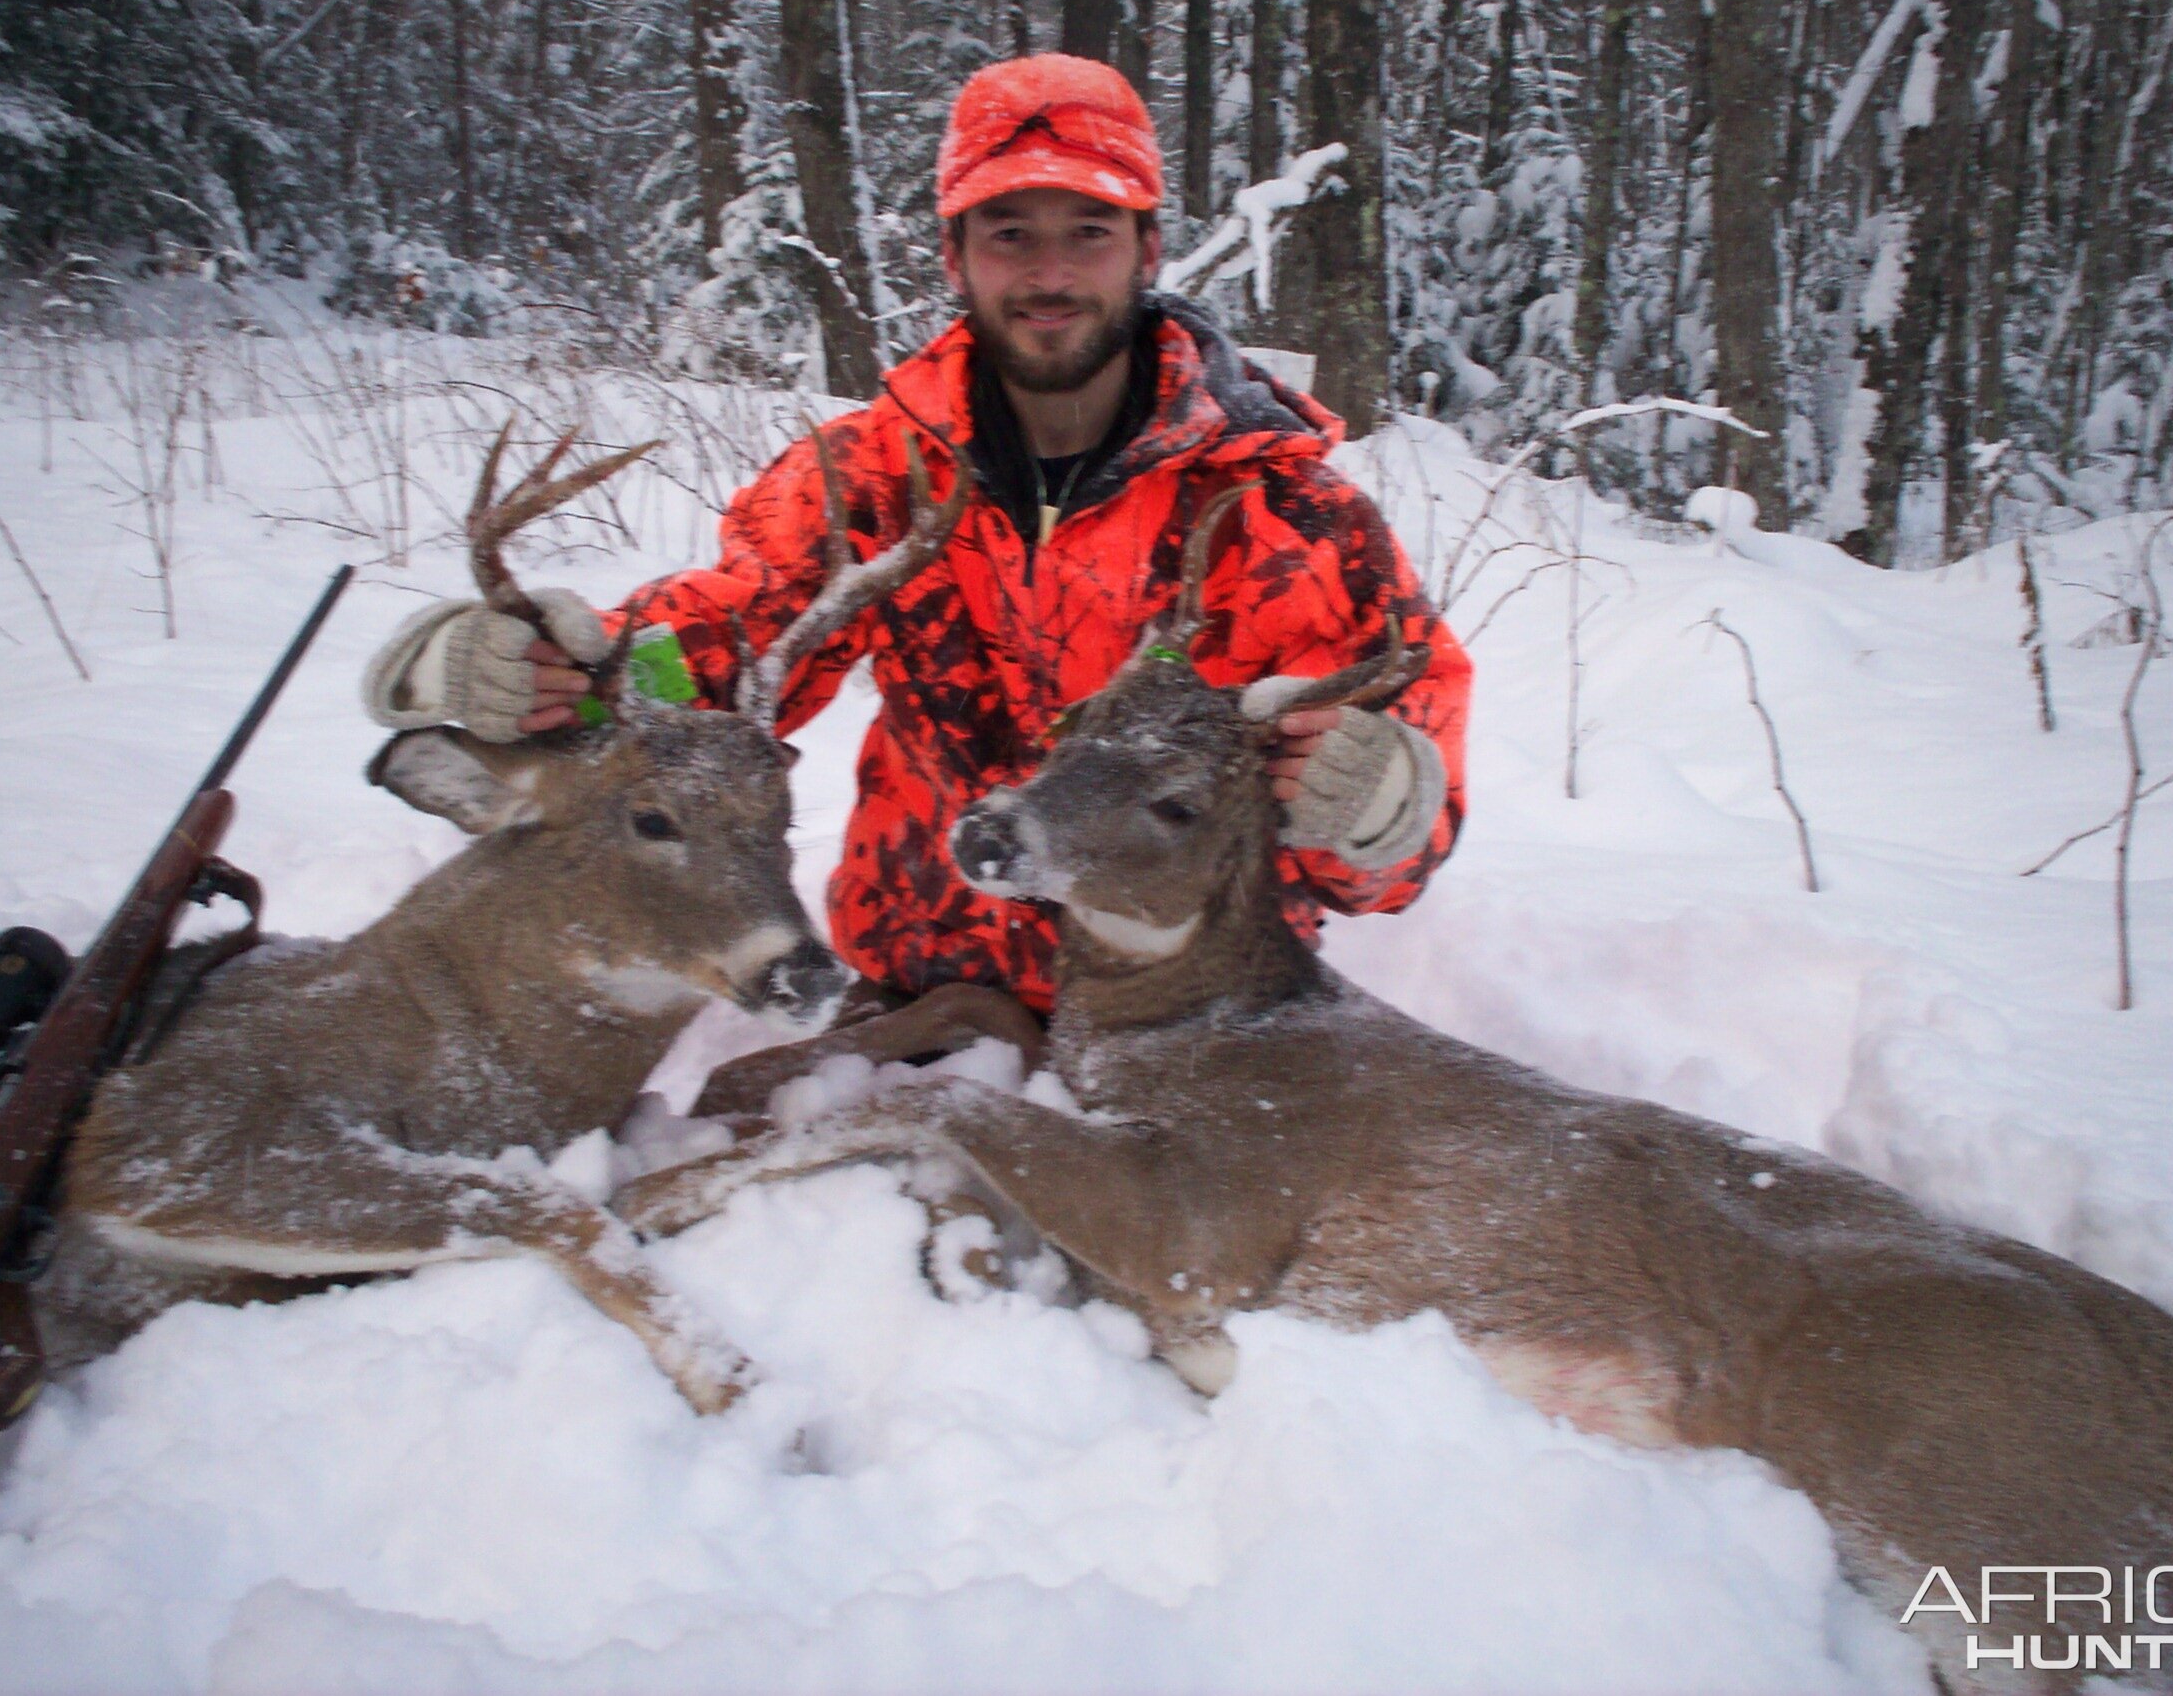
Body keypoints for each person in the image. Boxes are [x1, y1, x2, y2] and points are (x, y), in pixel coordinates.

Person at [364, 53, 1472, 1015]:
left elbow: (1387, 845)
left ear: (1145, 247)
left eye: (1087, 232)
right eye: (1008, 234)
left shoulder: (1288, 515)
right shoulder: (872, 476)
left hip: (1190, 1019)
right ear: (954, 257)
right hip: (919, 1000)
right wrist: (536, 671)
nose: (1047, 275)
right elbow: (716, 663)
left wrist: (1380, 804)